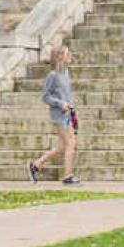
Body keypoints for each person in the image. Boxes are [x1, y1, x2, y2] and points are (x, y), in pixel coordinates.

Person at [29, 45, 80, 185]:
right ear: (59, 57)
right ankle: (68, 176)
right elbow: (45, 96)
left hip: (68, 114)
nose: (70, 55)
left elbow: (66, 94)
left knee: (62, 147)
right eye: (67, 53)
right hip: (59, 116)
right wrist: (60, 103)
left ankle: (36, 165)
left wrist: (71, 108)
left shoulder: (66, 72)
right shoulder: (53, 75)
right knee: (71, 143)